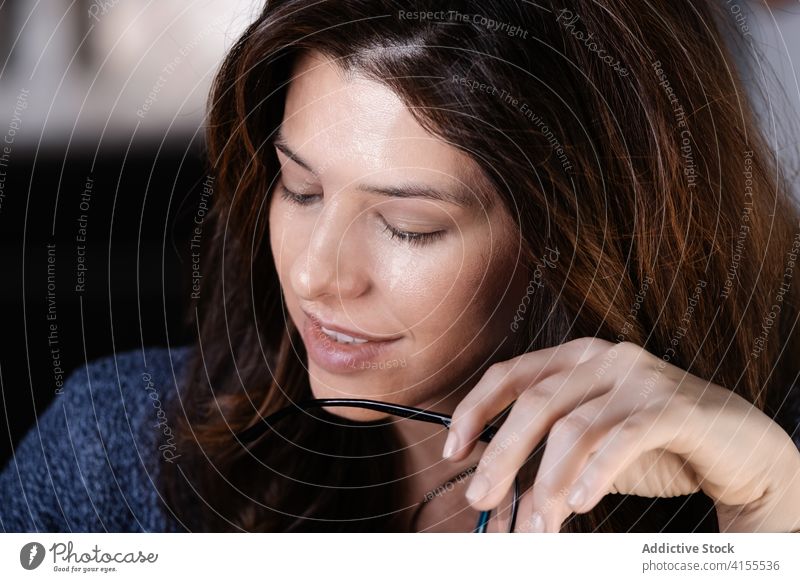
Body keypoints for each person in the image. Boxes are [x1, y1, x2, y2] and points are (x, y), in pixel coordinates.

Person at [2, 0, 800, 533]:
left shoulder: (765, 472)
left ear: (588, 239)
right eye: (300, 187)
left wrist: (770, 523)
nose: (317, 276)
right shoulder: (112, 461)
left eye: (409, 226)